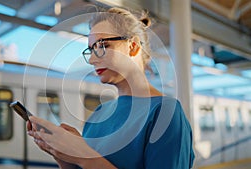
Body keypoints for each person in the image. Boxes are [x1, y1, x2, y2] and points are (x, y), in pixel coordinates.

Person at [27, 7, 195, 169]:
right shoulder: (99, 114)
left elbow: (89, 162)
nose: (92, 59)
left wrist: (84, 155)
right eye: (91, 50)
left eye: (103, 46)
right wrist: (62, 153)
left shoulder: (165, 113)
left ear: (133, 46)